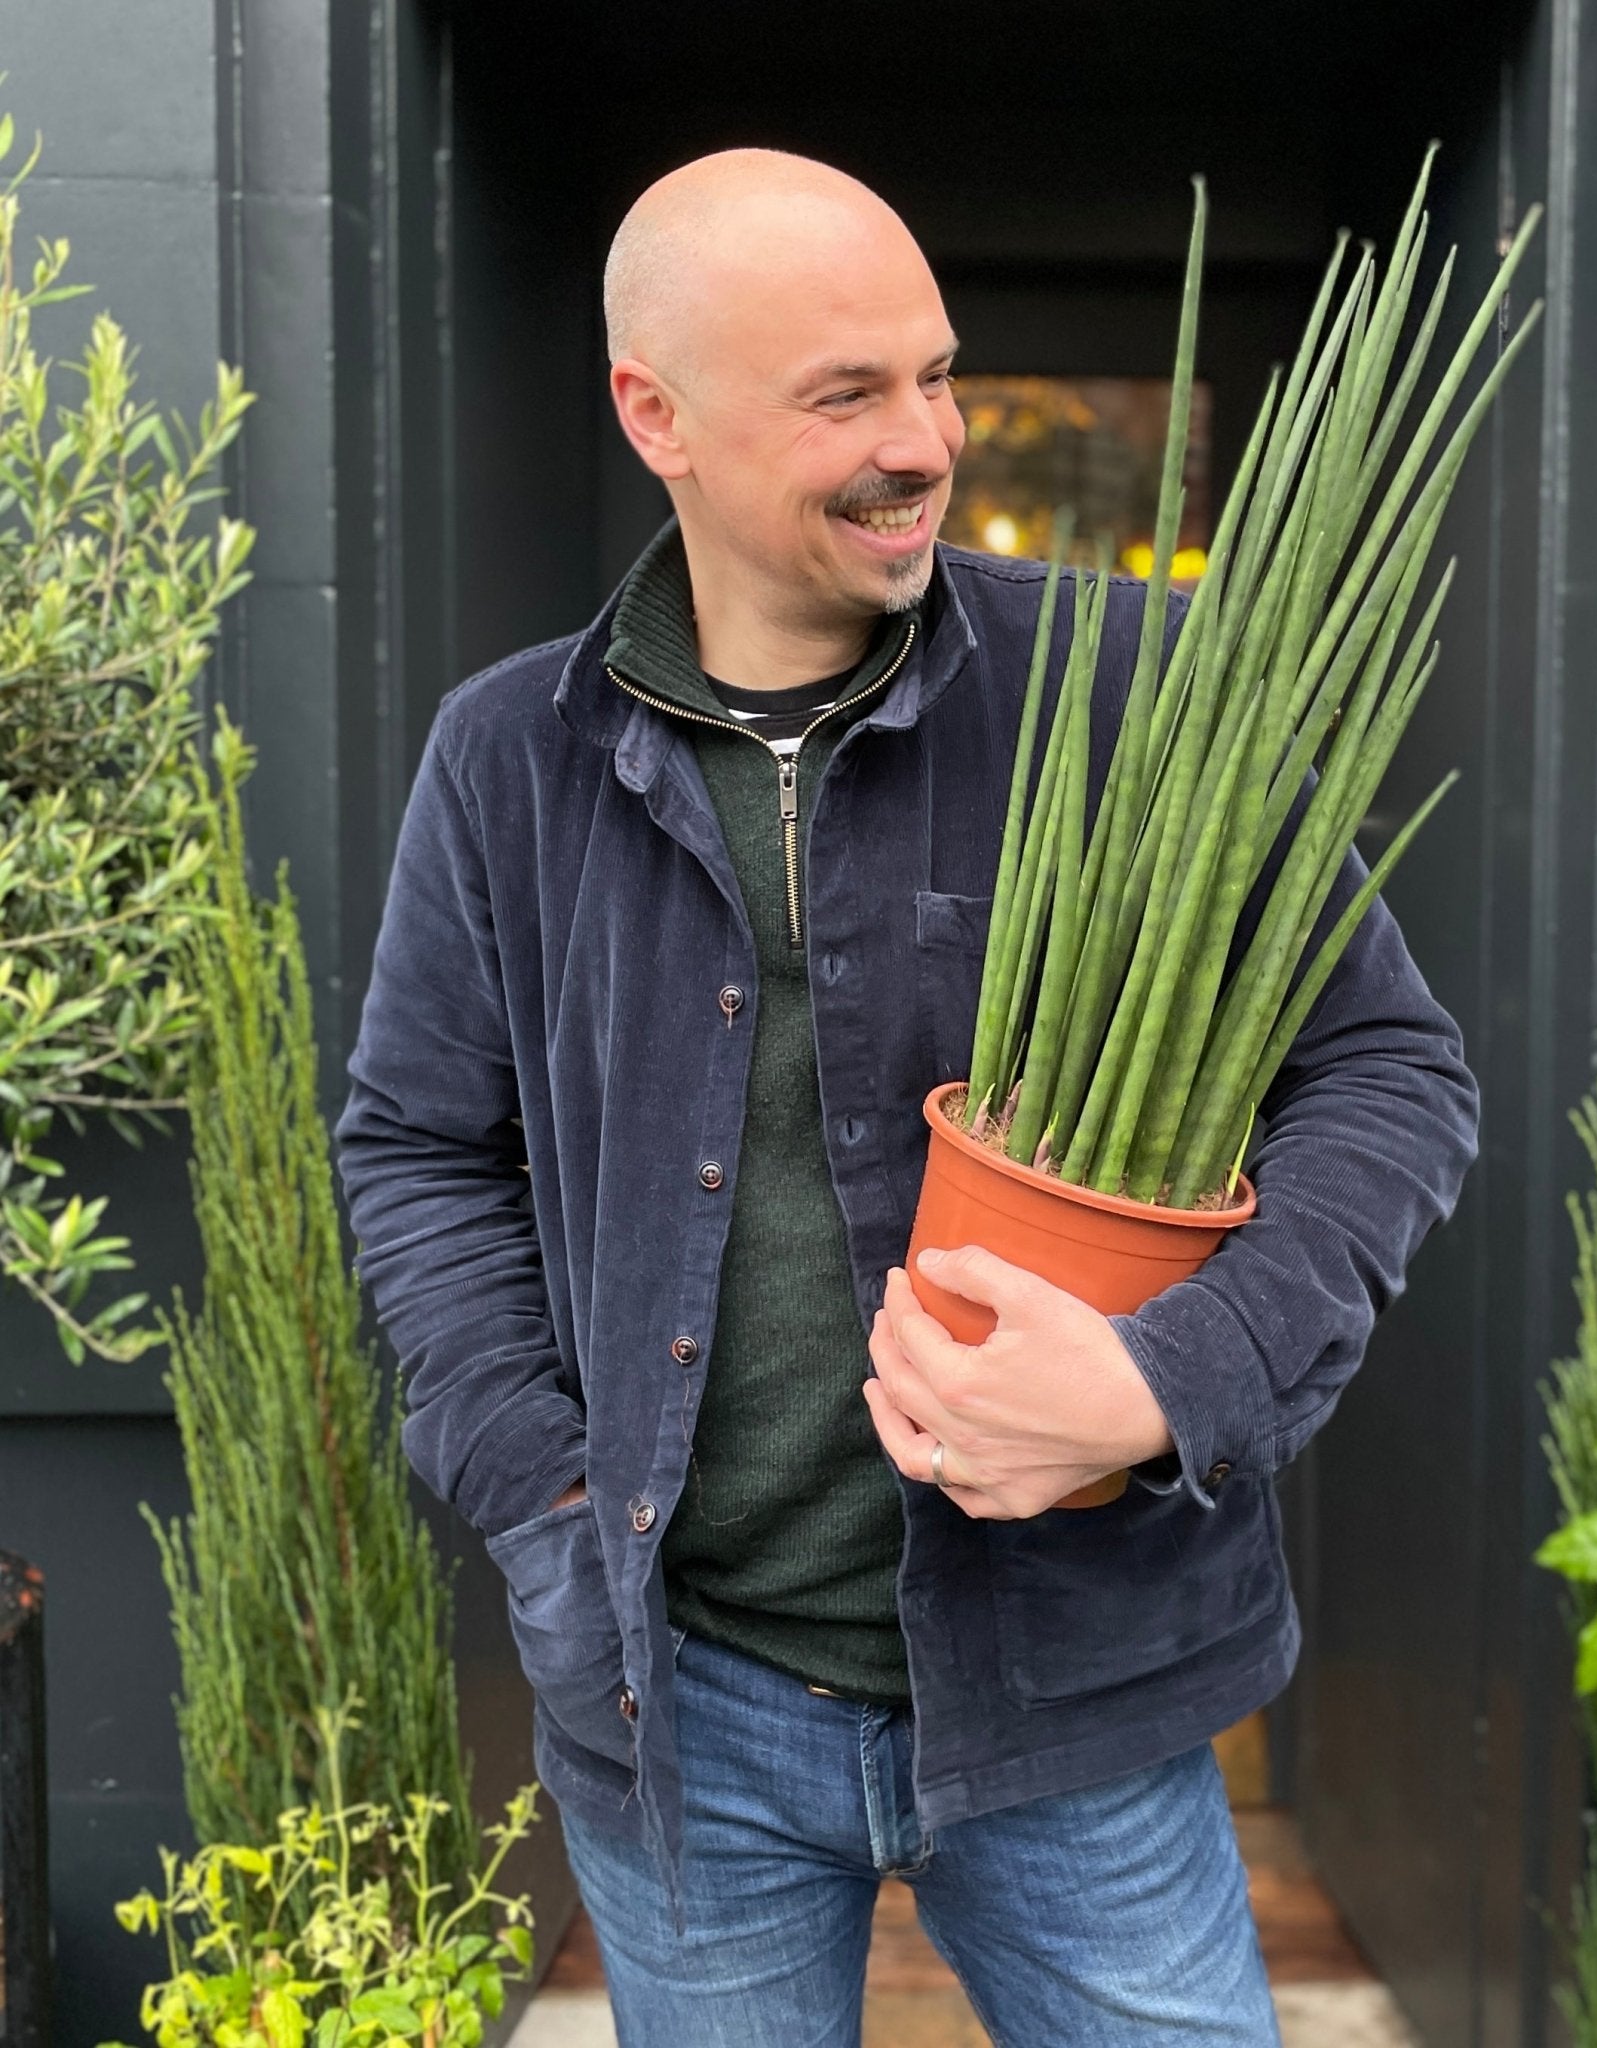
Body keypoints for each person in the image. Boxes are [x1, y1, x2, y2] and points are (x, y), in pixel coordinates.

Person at [335, 149, 1479, 2046]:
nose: (926, 441)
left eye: (935, 375)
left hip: (1080, 1692)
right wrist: (543, 1500)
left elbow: (1387, 1071)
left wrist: (1164, 1384)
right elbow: (419, 1156)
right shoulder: (506, 760)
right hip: (681, 1705)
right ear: (658, 417)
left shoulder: (1126, 692)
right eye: (845, 395)